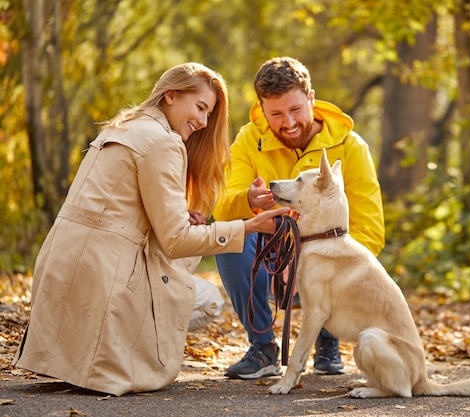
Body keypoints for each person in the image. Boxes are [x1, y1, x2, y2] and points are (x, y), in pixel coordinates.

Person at [12, 62, 289, 396]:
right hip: (103, 277)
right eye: (200, 108)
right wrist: (247, 227)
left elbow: (117, 207)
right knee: (207, 300)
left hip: (61, 268)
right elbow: (175, 242)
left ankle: (82, 354)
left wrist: (178, 215)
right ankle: (117, 355)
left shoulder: (121, 126)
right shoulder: (164, 142)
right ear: (170, 95)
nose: (203, 122)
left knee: (177, 279)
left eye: (208, 113)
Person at [213, 57, 385, 380]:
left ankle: (327, 339)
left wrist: (312, 258)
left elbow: (370, 232)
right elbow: (222, 208)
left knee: (340, 255)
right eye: (275, 114)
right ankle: (263, 347)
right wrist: (248, 200)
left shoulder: (351, 146)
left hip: (328, 266)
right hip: (271, 258)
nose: (288, 122)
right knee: (227, 236)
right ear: (261, 109)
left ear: (311, 99)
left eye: (296, 110)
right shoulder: (249, 141)